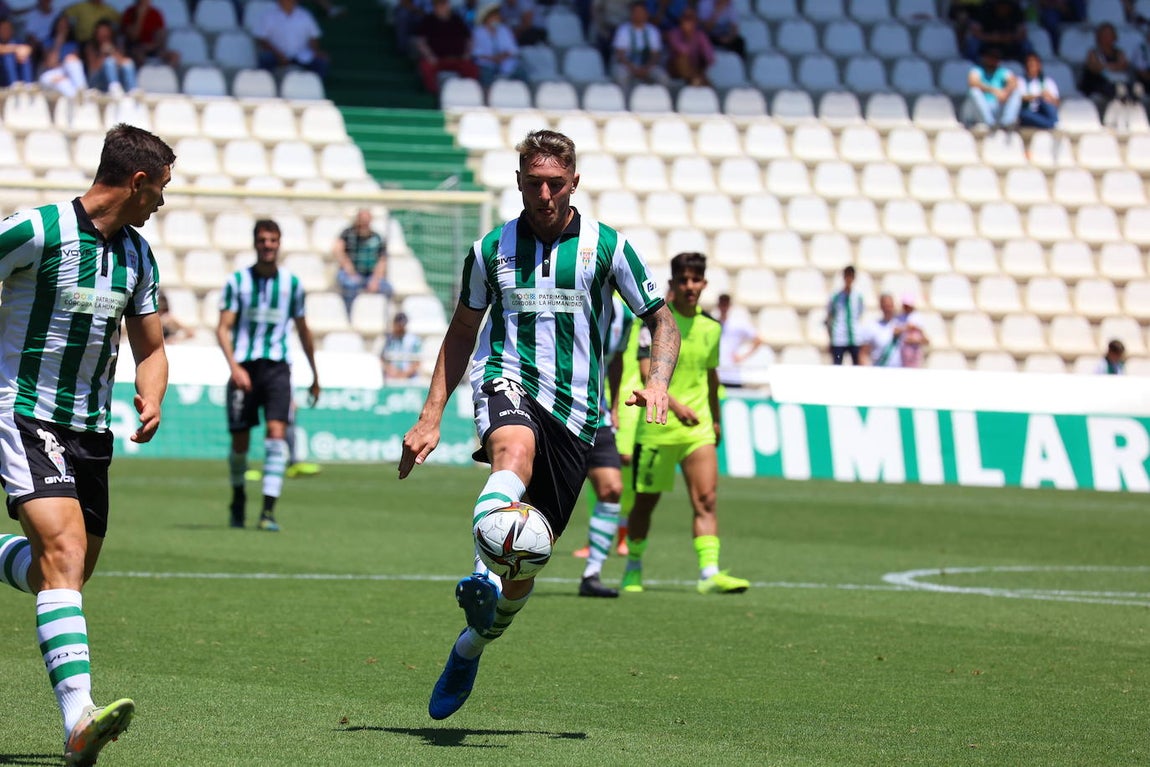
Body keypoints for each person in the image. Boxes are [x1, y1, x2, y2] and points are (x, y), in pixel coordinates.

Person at [398, 129, 679, 720]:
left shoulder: (609, 247)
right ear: (519, 183)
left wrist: (658, 381)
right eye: (533, 183)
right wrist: (431, 417)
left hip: (578, 414)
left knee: (529, 564)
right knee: (512, 454)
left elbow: (663, 321)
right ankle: (479, 574)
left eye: (555, 183)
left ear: (574, 181)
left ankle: (470, 644)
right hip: (508, 378)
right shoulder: (490, 249)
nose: (545, 193)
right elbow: (462, 332)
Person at [0, 123, 173, 766]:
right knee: (65, 552)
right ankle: (78, 717)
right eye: (159, 190)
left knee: (68, 571)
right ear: (136, 182)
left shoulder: (139, 256)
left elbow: (152, 347)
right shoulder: (36, 230)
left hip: (91, 429)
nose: (161, 203)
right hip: (22, 414)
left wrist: (153, 394)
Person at [621, 252, 748, 595]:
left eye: (696, 280)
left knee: (706, 498)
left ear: (704, 284)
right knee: (645, 504)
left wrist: (716, 419)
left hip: (698, 428)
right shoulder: (656, 324)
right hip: (658, 425)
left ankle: (709, 572)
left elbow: (711, 376)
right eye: (684, 280)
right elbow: (649, 371)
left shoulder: (711, 328)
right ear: (673, 284)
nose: (690, 286)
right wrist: (674, 405)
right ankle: (633, 566)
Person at [216, 219, 321, 532]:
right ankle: (237, 499)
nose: (268, 245)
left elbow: (303, 330)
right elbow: (223, 327)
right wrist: (234, 367)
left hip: (277, 369)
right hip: (245, 369)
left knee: (277, 434)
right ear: (255, 243)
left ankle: (268, 511)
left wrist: (315, 374)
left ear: (279, 243)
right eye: (263, 240)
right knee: (240, 443)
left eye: (273, 240)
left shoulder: (291, 285)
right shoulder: (237, 282)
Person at [574, 295, 635, 598]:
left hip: (596, 414)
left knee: (612, 488)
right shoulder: (569, 296)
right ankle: (494, 571)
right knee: (533, 495)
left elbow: (617, 358)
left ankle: (592, 573)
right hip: (552, 414)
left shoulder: (624, 316)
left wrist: (613, 406)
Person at [332, 208, 392, 317]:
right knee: (350, 285)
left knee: (387, 288)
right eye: (362, 221)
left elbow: (382, 261)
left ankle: (381, 318)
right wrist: (350, 270)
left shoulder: (377, 238)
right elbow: (337, 250)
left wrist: (375, 279)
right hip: (350, 274)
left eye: (366, 221)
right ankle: (348, 317)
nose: (364, 224)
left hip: (369, 276)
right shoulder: (347, 234)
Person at [413, 0, 479, 94]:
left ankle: (469, 93)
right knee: (425, 66)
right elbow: (420, 41)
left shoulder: (457, 19)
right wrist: (429, 55)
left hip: (458, 59)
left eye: (443, 4)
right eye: (438, 5)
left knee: (472, 68)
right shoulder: (428, 20)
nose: (441, 7)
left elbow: (469, 39)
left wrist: (467, 54)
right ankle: (433, 93)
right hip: (436, 60)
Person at [254, 0, 330, 79]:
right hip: (276, 54)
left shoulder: (305, 15)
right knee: (265, 59)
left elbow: (313, 36)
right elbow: (262, 39)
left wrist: (315, 51)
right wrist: (278, 54)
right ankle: (265, 85)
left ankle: (315, 86)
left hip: (301, 54)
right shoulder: (268, 16)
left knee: (320, 61)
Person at [1080, 22, 1141, 112]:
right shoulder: (1093, 53)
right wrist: (1113, 66)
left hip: (1116, 82)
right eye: (1104, 35)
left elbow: (1123, 65)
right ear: (1099, 37)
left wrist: (1104, 66)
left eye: (1110, 34)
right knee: (1114, 89)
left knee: (1133, 88)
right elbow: (1095, 68)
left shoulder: (1119, 52)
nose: (1107, 37)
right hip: (1097, 84)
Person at [611, 1, 670, 88]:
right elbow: (620, 54)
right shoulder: (623, 30)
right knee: (621, 76)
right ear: (631, 14)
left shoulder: (653, 31)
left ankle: (661, 100)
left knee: (663, 77)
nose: (638, 15)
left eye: (641, 12)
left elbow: (655, 55)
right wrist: (633, 68)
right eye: (636, 12)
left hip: (648, 65)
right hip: (627, 65)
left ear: (646, 14)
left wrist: (646, 68)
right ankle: (625, 100)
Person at [715, 293, 764, 389]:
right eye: (722, 304)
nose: (724, 307)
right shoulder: (713, 324)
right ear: (718, 306)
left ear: (730, 306)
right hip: (717, 373)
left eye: (726, 304)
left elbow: (758, 340)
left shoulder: (737, 324)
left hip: (732, 373)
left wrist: (743, 356)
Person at [965, 46, 1022, 129]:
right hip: (981, 109)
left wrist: (1005, 92)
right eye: (991, 57)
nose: (993, 60)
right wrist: (993, 90)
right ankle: (989, 123)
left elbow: (1014, 82)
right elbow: (972, 82)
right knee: (974, 92)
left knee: (1016, 93)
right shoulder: (977, 70)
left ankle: (1007, 123)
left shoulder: (1002, 71)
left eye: (996, 57)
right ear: (984, 58)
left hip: (997, 106)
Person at [36, 12, 89, 98]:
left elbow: (74, 66)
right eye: (60, 25)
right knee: (60, 82)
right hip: (50, 74)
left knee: (70, 60)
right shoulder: (48, 42)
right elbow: (50, 63)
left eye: (65, 26)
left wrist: (65, 73)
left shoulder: (72, 44)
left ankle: (81, 91)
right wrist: (58, 42)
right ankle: (79, 97)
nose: (63, 28)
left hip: (67, 74)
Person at [472, 3, 526, 87]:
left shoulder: (504, 30)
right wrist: (493, 58)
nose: (497, 19)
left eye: (497, 17)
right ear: (487, 18)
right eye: (494, 17)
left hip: (506, 63)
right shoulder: (478, 32)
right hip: (487, 64)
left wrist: (503, 56)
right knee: (486, 76)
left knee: (521, 72)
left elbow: (513, 49)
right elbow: (476, 53)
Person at [964, 0, 1031, 62]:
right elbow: (975, 31)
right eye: (1001, 6)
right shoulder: (985, 8)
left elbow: (1022, 32)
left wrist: (1011, 37)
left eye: (1005, 6)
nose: (1003, 9)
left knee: (1026, 44)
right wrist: (991, 37)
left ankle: (1028, 61)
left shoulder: (1016, 9)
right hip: (988, 40)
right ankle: (974, 62)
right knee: (973, 42)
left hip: (1010, 41)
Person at [120, 0, 179, 67]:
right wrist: (140, 17)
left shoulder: (156, 13)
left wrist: (151, 46)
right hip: (135, 48)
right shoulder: (129, 13)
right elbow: (133, 37)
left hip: (153, 48)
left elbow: (161, 37)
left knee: (174, 56)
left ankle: (165, 74)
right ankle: (144, 74)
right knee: (139, 55)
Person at [84, 18, 136, 94]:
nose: (103, 35)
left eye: (105, 31)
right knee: (109, 61)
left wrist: (112, 52)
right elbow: (93, 70)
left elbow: (124, 62)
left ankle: (133, 90)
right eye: (100, 32)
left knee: (128, 64)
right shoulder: (91, 47)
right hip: (97, 82)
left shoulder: (117, 44)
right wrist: (102, 54)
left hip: (117, 78)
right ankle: (114, 88)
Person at [825, 265, 864, 366]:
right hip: (839, 337)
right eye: (847, 275)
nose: (849, 278)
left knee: (857, 367)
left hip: (854, 337)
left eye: (851, 276)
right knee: (837, 366)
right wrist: (830, 338)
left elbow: (859, 314)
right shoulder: (835, 296)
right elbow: (829, 317)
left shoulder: (858, 296)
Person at [665, 6, 713, 87]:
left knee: (703, 62)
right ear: (681, 20)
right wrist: (688, 35)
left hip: (696, 68)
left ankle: (698, 81)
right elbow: (683, 50)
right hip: (675, 69)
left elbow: (710, 56)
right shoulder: (674, 33)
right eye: (685, 18)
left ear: (695, 21)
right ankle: (696, 79)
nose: (688, 22)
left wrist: (705, 59)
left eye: (691, 19)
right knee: (682, 59)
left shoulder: (700, 35)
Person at [1017, 51, 1060, 130]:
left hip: (1042, 112)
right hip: (1027, 111)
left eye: (1034, 65)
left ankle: (1050, 123)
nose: (1031, 67)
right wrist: (1038, 96)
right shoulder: (1020, 81)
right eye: (1029, 64)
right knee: (1025, 114)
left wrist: (1049, 97)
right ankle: (1051, 124)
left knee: (1047, 104)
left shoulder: (1048, 82)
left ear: (1039, 66)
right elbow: (1019, 98)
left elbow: (1056, 103)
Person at [859, 293, 902, 368]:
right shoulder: (872, 327)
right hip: (880, 370)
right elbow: (863, 353)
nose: (888, 309)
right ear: (881, 306)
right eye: (886, 306)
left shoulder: (902, 325)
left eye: (890, 305)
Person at [381, 311, 422, 381]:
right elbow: (382, 360)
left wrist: (404, 374)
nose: (400, 328)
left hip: (410, 378)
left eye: (402, 325)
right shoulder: (388, 340)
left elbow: (417, 362)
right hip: (391, 378)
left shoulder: (414, 340)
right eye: (398, 325)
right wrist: (392, 372)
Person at [896, 293, 928, 368]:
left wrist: (914, 340)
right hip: (902, 353)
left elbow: (925, 339)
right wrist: (906, 328)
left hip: (915, 353)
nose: (907, 307)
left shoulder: (917, 317)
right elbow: (896, 332)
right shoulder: (899, 318)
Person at [0, 16, 34, 85]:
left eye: (8, 28)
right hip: (2, 74)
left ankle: (28, 86)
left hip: (17, 68)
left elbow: (28, 48)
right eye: (3, 28)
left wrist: (23, 52)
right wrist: (15, 49)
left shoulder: (16, 41)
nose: (6, 31)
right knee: (8, 57)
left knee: (24, 57)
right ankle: (14, 87)